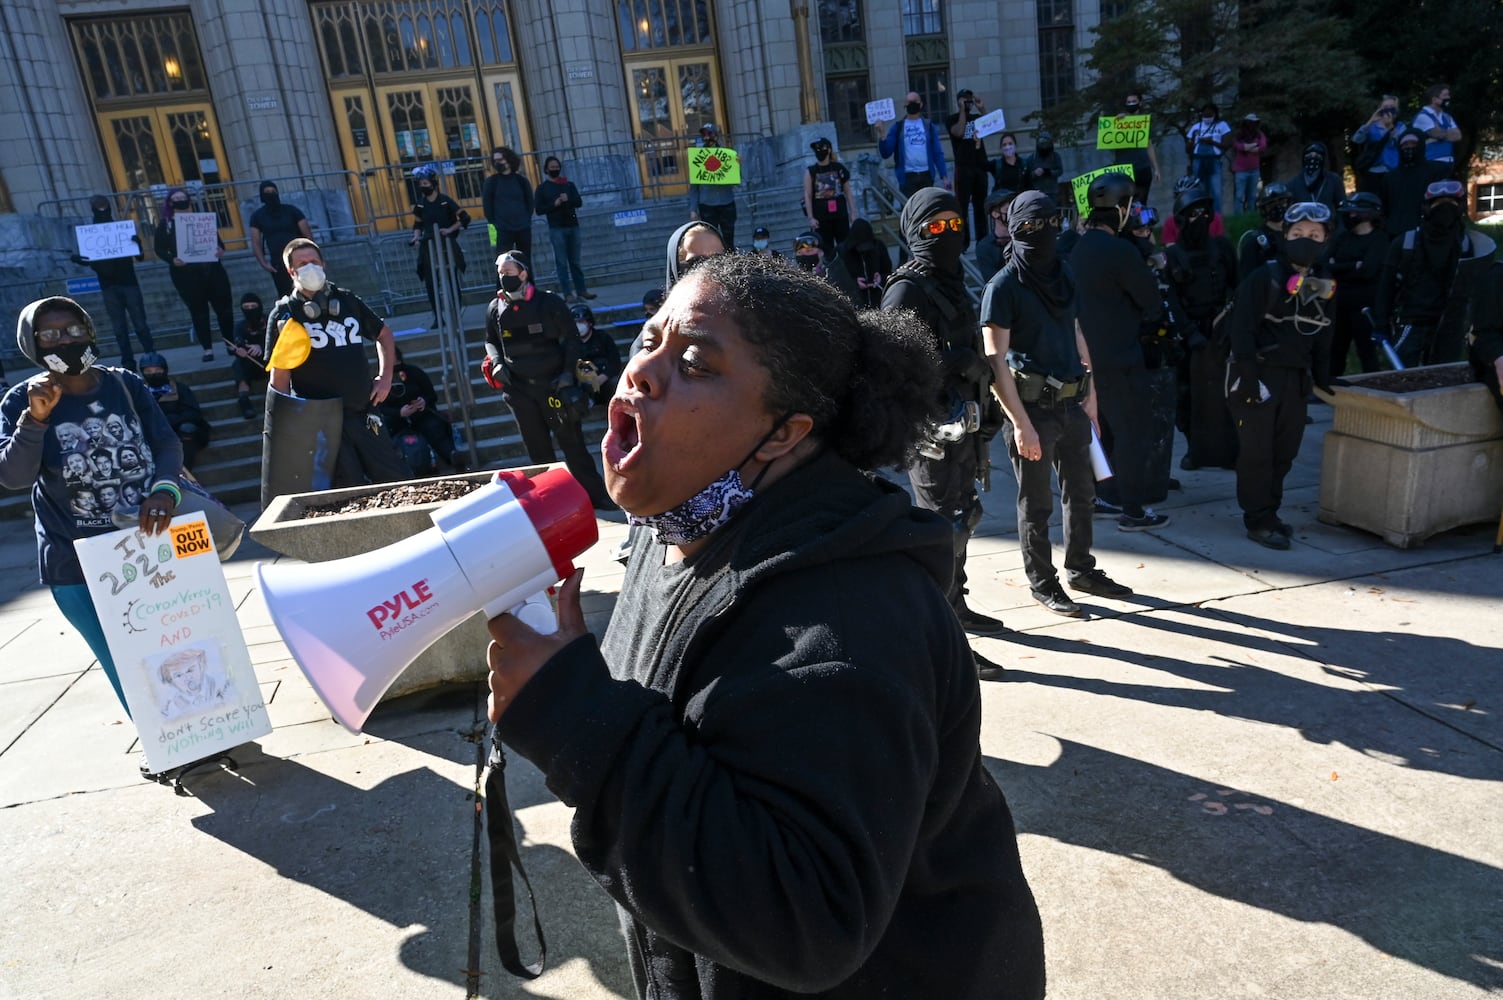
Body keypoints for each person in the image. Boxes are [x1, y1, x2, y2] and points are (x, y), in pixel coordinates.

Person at [484, 252, 1047, 998]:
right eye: (647, 340)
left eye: (695, 362)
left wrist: (572, 717)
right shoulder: (677, 532)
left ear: (783, 433)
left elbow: (806, 922)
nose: (642, 373)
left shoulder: (846, 629)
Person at [1, 296, 183, 714]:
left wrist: (164, 491)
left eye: (74, 330)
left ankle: (206, 728)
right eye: (49, 335)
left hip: (147, 547)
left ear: (90, 330)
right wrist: (35, 419)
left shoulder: (124, 383)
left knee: (176, 642)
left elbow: (166, 442)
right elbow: (12, 476)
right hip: (76, 559)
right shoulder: (18, 401)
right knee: (123, 660)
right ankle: (165, 748)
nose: (65, 340)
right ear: (32, 343)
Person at [981, 191, 1133, 616]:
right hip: (1031, 410)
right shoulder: (1003, 286)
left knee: (1082, 494)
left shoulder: (1062, 274)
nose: (1040, 234)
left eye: (1049, 224)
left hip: (1071, 403)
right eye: (1029, 227)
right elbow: (995, 363)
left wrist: (1092, 396)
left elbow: (1077, 332)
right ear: (1013, 230)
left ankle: (1081, 569)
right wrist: (1021, 424)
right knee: (1037, 504)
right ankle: (1043, 583)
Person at [882, 190, 1009, 673]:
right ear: (914, 232)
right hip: (930, 428)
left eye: (956, 225)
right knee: (942, 529)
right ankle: (942, 639)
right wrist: (954, 362)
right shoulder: (908, 289)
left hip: (965, 421)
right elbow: (893, 364)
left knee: (966, 515)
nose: (948, 236)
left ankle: (956, 606)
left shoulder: (951, 281)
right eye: (935, 229)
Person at [1228, 202, 1336, 550]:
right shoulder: (1264, 277)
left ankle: (1270, 512)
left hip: (1295, 378)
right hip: (1260, 376)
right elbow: (1241, 329)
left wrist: (1323, 377)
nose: (1306, 240)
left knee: (1284, 451)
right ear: (1285, 237)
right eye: (1298, 234)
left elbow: (1324, 334)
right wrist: (1247, 378)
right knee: (1257, 453)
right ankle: (1257, 519)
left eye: (1315, 235)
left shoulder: (1324, 283)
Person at [265, 238, 411, 489]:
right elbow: (280, 379)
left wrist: (385, 377)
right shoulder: (284, 315)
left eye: (314, 261)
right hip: (321, 423)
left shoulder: (348, 301)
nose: (310, 267)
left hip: (363, 411)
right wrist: (286, 427)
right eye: (302, 263)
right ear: (292, 272)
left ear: (324, 264)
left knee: (396, 481)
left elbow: (383, 334)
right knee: (348, 489)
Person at [1071, 171, 1170, 531]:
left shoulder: (1078, 249)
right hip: (1122, 357)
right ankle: (1133, 509)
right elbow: (1152, 302)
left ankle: (1105, 496)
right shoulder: (1122, 251)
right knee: (1133, 433)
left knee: (1103, 432)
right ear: (1121, 207)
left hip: (1087, 359)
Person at [481, 250, 614, 510]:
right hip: (519, 391)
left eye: (508, 272)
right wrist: (496, 362)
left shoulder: (549, 303)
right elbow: (490, 340)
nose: (503, 277)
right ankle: (551, 506)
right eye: (500, 273)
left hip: (554, 388)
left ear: (523, 272)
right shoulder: (495, 308)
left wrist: (566, 374)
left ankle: (597, 497)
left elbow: (572, 341)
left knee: (573, 446)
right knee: (539, 454)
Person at [1372, 180, 1498, 368]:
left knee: (1445, 380)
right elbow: (1386, 286)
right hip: (1410, 323)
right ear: (1426, 207)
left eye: (1452, 204)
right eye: (1437, 204)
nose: (1444, 210)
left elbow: (1481, 293)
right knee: (1405, 380)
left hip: (1451, 327)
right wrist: (1381, 323)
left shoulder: (1474, 246)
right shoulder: (1405, 243)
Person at [1164, 183, 1239, 471]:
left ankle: (1229, 450)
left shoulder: (1222, 248)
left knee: (1226, 394)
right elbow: (1169, 299)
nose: (1199, 219)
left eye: (1204, 213)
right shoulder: (1173, 256)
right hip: (1190, 335)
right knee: (1187, 398)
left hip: (1221, 330)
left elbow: (1237, 285)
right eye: (1193, 214)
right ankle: (1196, 449)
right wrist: (1187, 332)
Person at [69, 194, 154, 371]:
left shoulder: (120, 230)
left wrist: (137, 244)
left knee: (140, 324)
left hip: (128, 283)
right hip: (109, 285)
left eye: (103, 207)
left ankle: (150, 354)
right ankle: (128, 360)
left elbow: (139, 257)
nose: (102, 210)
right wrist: (79, 259)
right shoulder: (91, 235)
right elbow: (93, 261)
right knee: (119, 328)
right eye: (98, 207)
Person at [152, 188, 234, 364]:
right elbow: (158, 248)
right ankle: (207, 348)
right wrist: (172, 259)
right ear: (170, 203)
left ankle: (230, 344)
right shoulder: (166, 224)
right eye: (176, 198)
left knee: (224, 310)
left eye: (183, 197)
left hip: (212, 271)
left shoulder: (202, 220)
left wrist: (220, 250)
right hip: (186, 275)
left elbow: (218, 242)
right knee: (199, 313)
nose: (180, 200)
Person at [1325, 192, 1390, 376]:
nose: (1351, 216)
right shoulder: (1342, 238)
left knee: (1366, 351)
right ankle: (1330, 388)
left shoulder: (1379, 239)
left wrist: (1338, 266)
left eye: (1356, 212)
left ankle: (1374, 391)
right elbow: (1324, 265)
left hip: (1364, 307)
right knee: (1335, 350)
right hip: (1339, 304)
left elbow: (1368, 271)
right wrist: (1353, 265)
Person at [377, 347, 468, 475]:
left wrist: (423, 401)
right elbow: (379, 407)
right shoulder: (380, 381)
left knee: (434, 429)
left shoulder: (414, 372)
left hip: (421, 415)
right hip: (396, 421)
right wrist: (399, 413)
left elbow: (431, 395)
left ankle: (453, 457)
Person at [409, 163, 469, 317]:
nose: (423, 186)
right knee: (431, 282)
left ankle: (456, 311)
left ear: (433, 184)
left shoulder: (445, 201)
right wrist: (416, 237)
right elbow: (418, 224)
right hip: (428, 246)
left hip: (446, 245)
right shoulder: (420, 205)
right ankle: (437, 316)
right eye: (421, 184)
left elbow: (464, 218)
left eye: (426, 183)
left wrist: (449, 230)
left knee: (451, 278)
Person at [534, 155, 594, 302]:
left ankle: (582, 290)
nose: (555, 169)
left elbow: (579, 202)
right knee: (561, 262)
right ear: (546, 169)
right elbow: (539, 209)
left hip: (573, 226)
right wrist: (554, 204)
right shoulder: (542, 189)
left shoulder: (568, 185)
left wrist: (569, 200)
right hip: (556, 228)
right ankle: (567, 293)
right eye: (552, 167)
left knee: (575, 261)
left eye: (557, 167)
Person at [138, 351, 210, 472]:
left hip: (178, 432)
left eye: (157, 370)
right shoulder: (141, 393)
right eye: (148, 371)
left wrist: (171, 420)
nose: (154, 374)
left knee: (188, 429)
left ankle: (184, 470)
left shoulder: (180, 389)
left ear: (165, 370)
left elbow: (194, 413)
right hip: (154, 434)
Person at [247, 180, 312, 299]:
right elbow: (256, 242)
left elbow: (307, 233)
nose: (271, 194)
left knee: (307, 292)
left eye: (273, 191)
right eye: (267, 192)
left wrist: (311, 256)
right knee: (286, 296)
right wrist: (264, 263)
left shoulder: (291, 210)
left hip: (299, 260)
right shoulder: (257, 216)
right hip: (278, 263)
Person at [876, 92, 949, 197]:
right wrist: (882, 134)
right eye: (909, 102)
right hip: (907, 178)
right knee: (910, 210)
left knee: (926, 210)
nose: (912, 104)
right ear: (904, 105)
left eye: (915, 102)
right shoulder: (898, 127)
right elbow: (886, 153)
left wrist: (944, 176)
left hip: (926, 176)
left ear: (921, 104)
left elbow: (937, 152)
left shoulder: (929, 126)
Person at [1380, 130, 1450, 239]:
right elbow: (1385, 206)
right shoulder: (1390, 177)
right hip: (1394, 233)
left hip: (1425, 233)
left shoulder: (1437, 171)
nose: (1409, 147)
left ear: (1421, 145)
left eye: (1413, 144)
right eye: (1405, 144)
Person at [946, 89, 993, 244]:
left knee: (981, 206)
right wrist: (962, 111)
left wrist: (982, 108)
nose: (968, 102)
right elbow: (958, 132)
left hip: (979, 166)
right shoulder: (952, 119)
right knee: (962, 206)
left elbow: (991, 126)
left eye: (969, 99)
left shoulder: (977, 118)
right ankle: (963, 241)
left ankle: (982, 239)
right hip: (963, 167)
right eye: (964, 99)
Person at [803, 136, 858, 255]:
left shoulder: (839, 168)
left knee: (845, 247)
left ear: (828, 149)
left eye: (821, 148)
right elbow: (807, 194)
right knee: (826, 249)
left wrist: (853, 211)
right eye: (816, 148)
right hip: (821, 217)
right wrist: (811, 217)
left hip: (840, 215)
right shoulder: (811, 171)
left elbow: (847, 191)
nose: (818, 151)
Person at [688, 122, 739, 250]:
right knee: (711, 238)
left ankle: (731, 264)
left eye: (709, 133)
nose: (707, 137)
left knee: (728, 238)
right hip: (707, 205)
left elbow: (738, 182)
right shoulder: (698, 158)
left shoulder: (728, 156)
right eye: (704, 134)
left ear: (716, 136)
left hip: (726, 202)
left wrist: (738, 166)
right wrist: (693, 209)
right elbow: (694, 188)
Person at [1109, 91, 1161, 205]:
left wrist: (1156, 168)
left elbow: (1149, 146)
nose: (1131, 104)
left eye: (1134, 101)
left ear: (1140, 103)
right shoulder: (1119, 121)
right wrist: (1115, 123)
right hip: (1123, 170)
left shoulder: (1144, 122)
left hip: (1142, 168)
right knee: (1124, 204)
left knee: (1141, 204)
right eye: (1128, 102)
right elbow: (1108, 142)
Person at [482, 146, 534, 257]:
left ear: (509, 160)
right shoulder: (491, 182)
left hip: (522, 227)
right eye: (495, 161)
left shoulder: (521, 181)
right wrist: (496, 224)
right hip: (502, 229)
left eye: (500, 160)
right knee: (503, 263)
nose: (497, 163)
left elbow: (530, 202)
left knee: (525, 262)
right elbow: (487, 206)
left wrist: (525, 220)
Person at [1351, 95, 1407, 195]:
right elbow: (1357, 140)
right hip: (1373, 169)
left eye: (1392, 107)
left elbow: (1401, 143)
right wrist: (1370, 121)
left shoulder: (1400, 126)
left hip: (1393, 169)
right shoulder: (1373, 126)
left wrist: (1389, 127)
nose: (1388, 110)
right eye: (1385, 107)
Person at [571, 303, 624, 406]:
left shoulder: (603, 338)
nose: (578, 326)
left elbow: (615, 362)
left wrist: (602, 378)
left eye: (581, 322)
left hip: (603, 381)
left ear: (589, 322)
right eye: (575, 323)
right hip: (581, 384)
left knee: (615, 383)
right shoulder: (569, 343)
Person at [1238, 182, 1292, 278]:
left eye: (1282, 202)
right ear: (1263, 209)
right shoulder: (1254, 243)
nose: (1278, 207)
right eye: (1271, 205)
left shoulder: (1297, 236)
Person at [229, 292, 269, 420]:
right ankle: (244, 399)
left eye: (253, 306)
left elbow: (280, 341)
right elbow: (236, 343)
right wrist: (239, 350)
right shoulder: (240, 326)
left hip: (269, 359)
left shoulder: (270, 321)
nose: (250, 310)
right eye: (246, 308)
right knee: (238, 364)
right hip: (250, 361)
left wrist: (262, 347)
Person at [1185, 103, 1231, 212]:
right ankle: (1202, 214)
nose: (1207, 118)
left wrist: (1212, 142)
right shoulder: (1196, 127)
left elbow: (1227, 144)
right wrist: (1193, 139)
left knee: (1216, 190)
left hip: (1214, 160)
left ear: (1215, 114)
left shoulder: (1222, 125)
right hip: (1198, 160)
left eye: (1209, 115)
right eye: (1205, 116)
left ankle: (1217, 216)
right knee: (1200, 189)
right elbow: (1187, 149)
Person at [840, 218, 892, 309]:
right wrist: (855, 283)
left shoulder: (879, 246)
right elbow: (838, 281)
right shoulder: (842, 252)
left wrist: (881, 278)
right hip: (854, 303)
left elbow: (889, 272)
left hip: (879, 300)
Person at [1284, 142, 1344, 213]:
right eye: (1309, 155)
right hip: (1303, 222)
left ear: (1323, 159)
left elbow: (1342, 208)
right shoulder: (1293, 183)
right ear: (1304, 158)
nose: (1313, 159)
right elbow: (1288, 210)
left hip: (1327, 222)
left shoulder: (1333, 180)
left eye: (1317, 155)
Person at [1411, 83, 1462, 165]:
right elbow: (1438, 134)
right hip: (1430, 160)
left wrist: (1436, 137)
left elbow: (1458, 136)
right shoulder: (1423, 116)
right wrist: (1446, 133)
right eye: (1445, 95)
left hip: (1448, 160)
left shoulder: (1447, 116)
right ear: (1434, 99)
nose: (1448, 98)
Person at [975, 188, 1019, 280]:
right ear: (995, 214)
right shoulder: (985, 246)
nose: (1014, 213)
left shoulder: (1024, 239)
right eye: (1009, 209)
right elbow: (993, 280)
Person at [1230, 114, 1268, 214]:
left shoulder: (1259, 134)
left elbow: (1263, 147)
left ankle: (1250, 215)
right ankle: (1237, 216)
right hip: (1241, 170)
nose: (1252, 124)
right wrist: (1252, 146)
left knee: (1252, 195)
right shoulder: (1239, 134)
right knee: (1239, 195)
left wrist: (1247, 147)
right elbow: (1238, 146)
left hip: (1254, 169)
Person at [988, 133, 1027, 198]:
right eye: (1004, 145)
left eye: (1010, 143)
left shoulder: (1023, 164)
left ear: (1015, 145)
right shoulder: (996, 164)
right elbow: (981, 165)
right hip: (1002, 202)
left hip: (1019, 202)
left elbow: (1028, 185)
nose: (1007, 147)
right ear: (1001, 148)